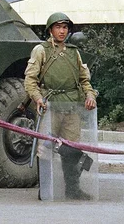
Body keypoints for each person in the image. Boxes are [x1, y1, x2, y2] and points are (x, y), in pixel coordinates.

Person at [24, 12, 97, 200]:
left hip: (72, 105)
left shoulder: (74, 52)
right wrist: (38, 98)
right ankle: (46, 189)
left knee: (73, 148)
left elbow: (84, 79)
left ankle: (72, 189)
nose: (62, 31)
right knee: (46, 147)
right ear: (50, 30)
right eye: (58, 27)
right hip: (50, 106)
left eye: (65, 27)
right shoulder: (41, 50)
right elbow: (30, 80)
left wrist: (89, 94)